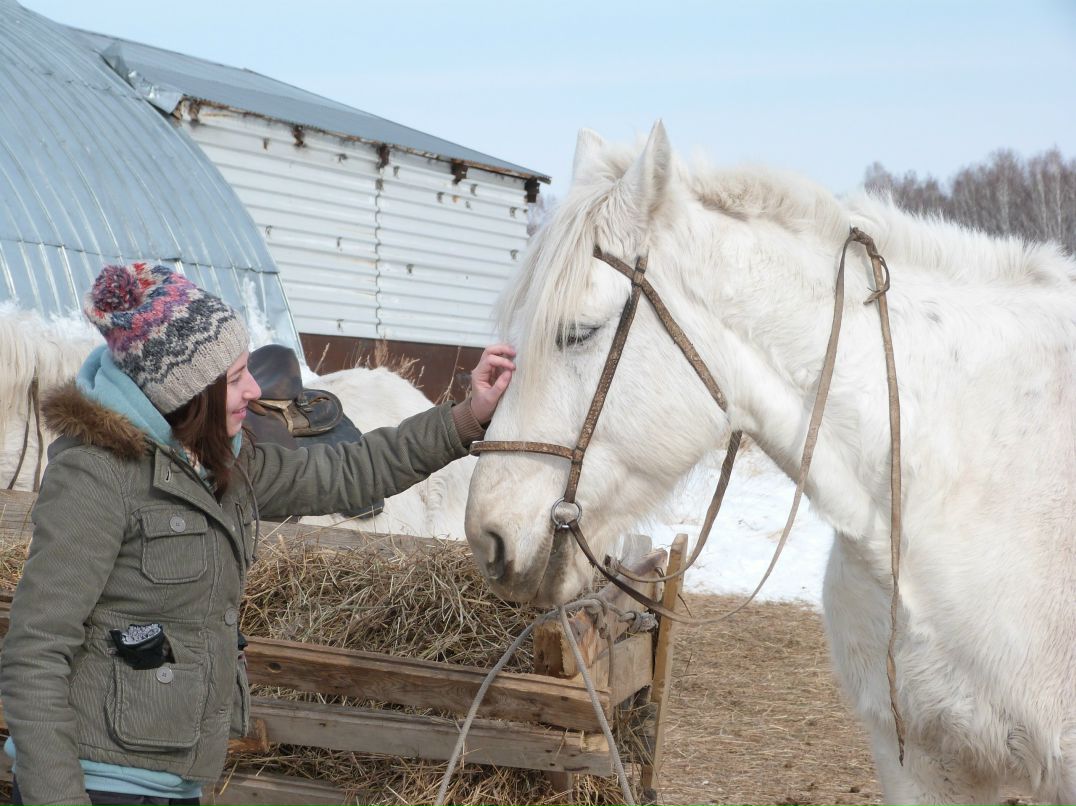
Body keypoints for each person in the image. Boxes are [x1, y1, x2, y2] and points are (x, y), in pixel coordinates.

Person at [0, 262, 515, 806]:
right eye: (236, 377)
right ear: (189, 391)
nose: (253, 389)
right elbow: (37, 648)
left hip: (177, 781)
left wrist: (468, 416)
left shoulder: (221, 465)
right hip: (101, 784)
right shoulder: (95, 475)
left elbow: (353, 470)